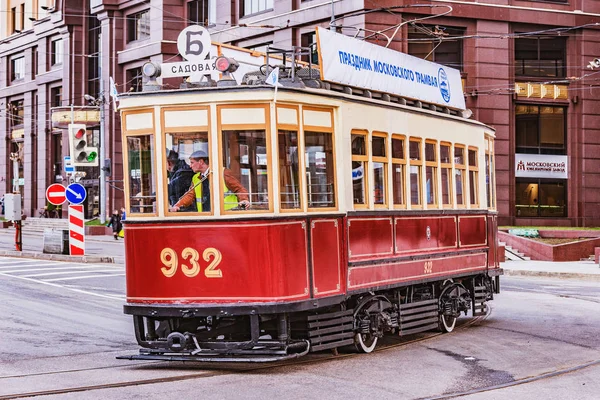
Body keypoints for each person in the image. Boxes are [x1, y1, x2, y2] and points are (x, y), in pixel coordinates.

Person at [169, 150, 250, 212]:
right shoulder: (196, 177)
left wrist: (244, 200)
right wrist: (178, 205)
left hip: (226, 215)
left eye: (192, 162)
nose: (190, 166)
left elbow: (239, 189)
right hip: (206, 215)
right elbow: (190, 195)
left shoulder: (223, 173)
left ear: (201, 162)